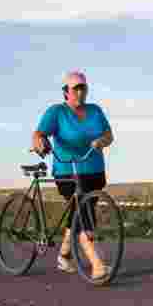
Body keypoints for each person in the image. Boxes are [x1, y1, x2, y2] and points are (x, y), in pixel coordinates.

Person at [30, 71, 115, 281]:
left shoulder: (95, 111)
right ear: (65, 91)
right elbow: (39, 134)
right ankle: (97, 264)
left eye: (82, 87)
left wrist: (101, 141)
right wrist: (40, 142)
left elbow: (109, 134)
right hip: (68, 172)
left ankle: (63, 255)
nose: (79, 91)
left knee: (79, 211)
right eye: (75, 88)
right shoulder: (56, 112)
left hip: (94, 170)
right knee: (84, 213)